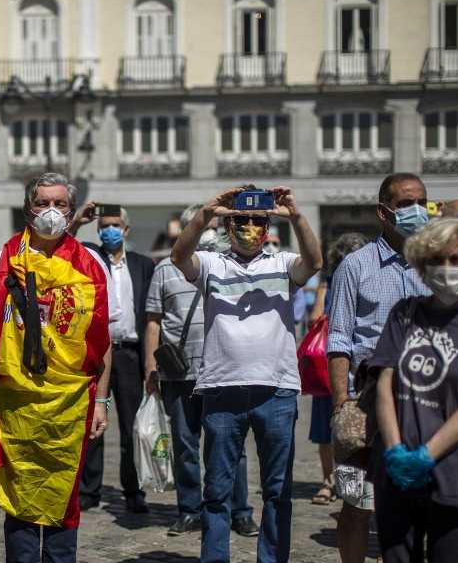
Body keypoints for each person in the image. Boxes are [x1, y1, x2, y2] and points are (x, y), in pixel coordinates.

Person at [0, 172, 119, 563]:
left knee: (63, 496)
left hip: (72, 403)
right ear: (27, 208)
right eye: (42, 203)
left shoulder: (91, 266)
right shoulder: (0, 263)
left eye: (60, 204)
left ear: (71, 212)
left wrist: (102, 400)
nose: (51, 211)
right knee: (19, 499)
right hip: (17, 404)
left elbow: (103, 342)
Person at [171, 185, 322, 563]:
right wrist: (208, 211)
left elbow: (315, 262)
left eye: (257, 220)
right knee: (217, 490)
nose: (250, 226)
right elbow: (179, 255)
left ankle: (271, 558)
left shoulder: (282, 263)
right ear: (228, 225)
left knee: (277, 491)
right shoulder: (211, 264)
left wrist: (297, 215)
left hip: (277, 391)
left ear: (268, 225)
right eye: (241, 219)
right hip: (223, 391)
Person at [370, 217, 458, 562]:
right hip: (396, 476)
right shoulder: (404, 313)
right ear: (420, 265)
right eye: (435, 259)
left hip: (454, 478)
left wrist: (425, 457)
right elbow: (384, 383)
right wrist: (395, 452)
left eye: (457, 259)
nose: (446, 268)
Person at [327, 173, 432, 563]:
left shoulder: (435, 266)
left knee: (413, 504)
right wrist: (342, 402)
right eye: (406, 204)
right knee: (357, 503)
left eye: (422, 201)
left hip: (423, 402)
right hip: (367, 401)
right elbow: (338, 338)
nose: (416, 211)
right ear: (383, 211)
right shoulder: (355, 267)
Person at [144, 204, 256, 536]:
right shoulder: (165, 269)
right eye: (198, 224)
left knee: (232, 446)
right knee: (185, 446)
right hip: (179, 372)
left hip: (225, 370)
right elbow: (153, 320)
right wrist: (151, 365)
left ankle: (240, 511)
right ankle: (190, 510)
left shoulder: (233, 265)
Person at [68, 203, 155, 513]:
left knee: (132, 427)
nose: (109, 230)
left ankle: (133, 490)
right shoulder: (89, 256)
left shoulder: (144, 265)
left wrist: (150, 363)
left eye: (115, 225)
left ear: (126, 230)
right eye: (104, 225)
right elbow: (63, 246)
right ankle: (89, 490)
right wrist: (78, 221)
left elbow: (151, 316)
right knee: (92, 422)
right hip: (96, 354)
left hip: (130, 354)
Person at [306, 232, 369, 506]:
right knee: (326, 429)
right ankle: (329, 481)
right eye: (345, 258)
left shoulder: (372, 278)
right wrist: (324, 290)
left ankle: (356, 486)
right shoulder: (329, 282)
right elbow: (315, 318)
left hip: (363, 365)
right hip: (329, 364)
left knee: (361, 430)